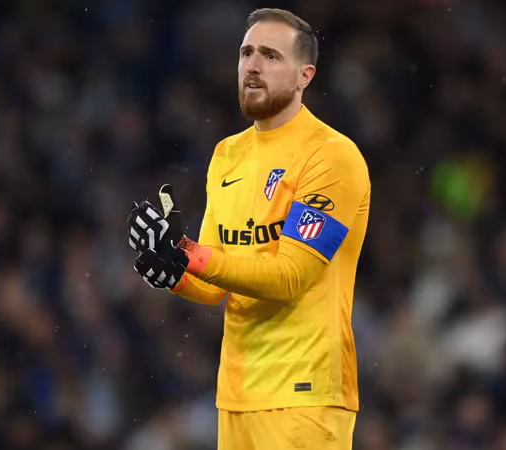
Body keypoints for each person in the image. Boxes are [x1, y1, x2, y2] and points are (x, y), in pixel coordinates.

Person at [128, 8, 370, 449]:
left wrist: (190, 254)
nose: (253, 66)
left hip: (305, 397)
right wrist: (173, 271)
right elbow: (216, 284)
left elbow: (289, 277)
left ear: (305, 76)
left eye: (271, 56)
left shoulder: (331, 156)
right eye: (246, 53)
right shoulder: (227, 155)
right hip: (236, 397)